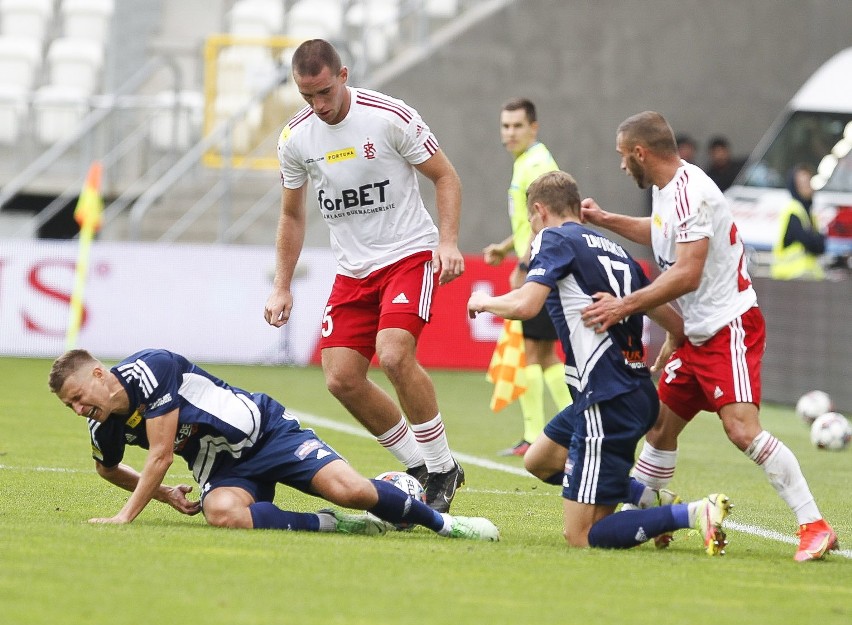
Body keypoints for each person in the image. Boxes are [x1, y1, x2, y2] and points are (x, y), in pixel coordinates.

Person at [580, 111, 838, 561]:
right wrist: (605, 219)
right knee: (659, 426)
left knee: (741, 431)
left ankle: (814, 524)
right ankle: (655, 515)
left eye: (624, 157)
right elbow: (660, 235)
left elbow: (688, 273)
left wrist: (625, 304)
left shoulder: (691, 192)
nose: (622, 166)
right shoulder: (666, 191)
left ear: (641, 153)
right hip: (699, 334)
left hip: (728, 327)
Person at [468, 170, 731, 553]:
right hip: (631, 390)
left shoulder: (552, 238)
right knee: (540, 460)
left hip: (606, 399)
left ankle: (693, 514)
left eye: (530, 220)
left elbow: (526, 304)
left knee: (584, 536)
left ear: (539, 211)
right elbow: (676, 323)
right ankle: (649, 499)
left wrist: (484, 301)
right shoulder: (616, 250)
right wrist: (664, 349)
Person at [263, 39, 465, 512]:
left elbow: (446, 176)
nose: (318, 106)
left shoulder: (389, 116)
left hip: (407, 255)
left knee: (394, 355)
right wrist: (282, 284)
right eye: (306, 96)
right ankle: (419, 466)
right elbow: (292, 216)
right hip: (352, 270)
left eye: (325, 92)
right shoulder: (296, 138)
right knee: (341, 379)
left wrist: (448, 242)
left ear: (344, 75)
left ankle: (442, 467)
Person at [47, 348, 499, 541]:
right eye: (71, 406)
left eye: (79, 398)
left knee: (354, 490)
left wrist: (126, 517)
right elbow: (106, 468)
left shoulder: (151, 369)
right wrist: (165, 495)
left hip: (266, 433)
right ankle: (337, 525)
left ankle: (445, 524)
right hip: (222, 469)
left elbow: (162, 454)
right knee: (221, 513)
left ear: (99, 375)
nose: (79, 410)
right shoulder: (103, 425)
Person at [483, 98, 572, 456]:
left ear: (533, 127)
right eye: (505, 126)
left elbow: (547, 218)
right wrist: (507, 248)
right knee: (542, 352)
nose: (510, 133)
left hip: (540, 264)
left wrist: (523, 266)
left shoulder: (535, 165)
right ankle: (559, 428)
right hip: (540, 261)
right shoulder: (529, 162)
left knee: (536, 352)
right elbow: (530, 219)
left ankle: (538, 434)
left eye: (517, 126)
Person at [771, 163, 826, 280]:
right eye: (803, 183)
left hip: (807, 276)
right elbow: (811, 243)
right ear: (795, 186)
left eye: (809, 182)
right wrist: (816, 240)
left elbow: (821, 246)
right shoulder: (794, 211)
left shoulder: (809, 213)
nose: (808, 186)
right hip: (790, 277)